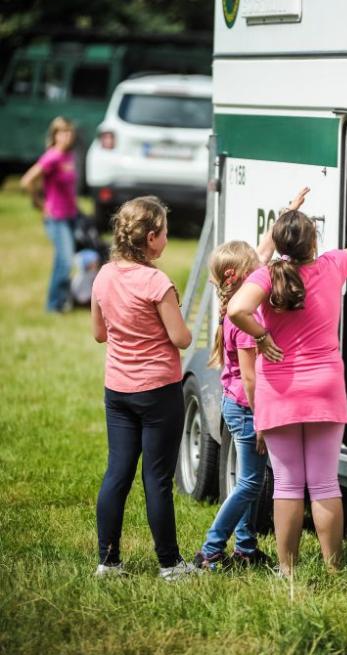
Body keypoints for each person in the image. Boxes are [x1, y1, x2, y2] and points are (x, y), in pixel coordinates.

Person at [227, 194, 347, 576]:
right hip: (324, 389)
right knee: (324, 483)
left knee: (287, 485)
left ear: (281, 243)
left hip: (278, 393)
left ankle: (288, 570)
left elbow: (236, 309)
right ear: (313, 242)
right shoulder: (333, 265)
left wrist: (263, 337)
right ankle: (333, 569)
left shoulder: (266, 275)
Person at [195, 188, 310, 571]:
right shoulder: (247, 323)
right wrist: (263, 420)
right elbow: (249, 377)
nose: (264, 268)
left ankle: (244, 548)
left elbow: (262, 252)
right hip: (247, 409)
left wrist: (287, 213)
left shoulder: (236, 297)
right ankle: (211, 550)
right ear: (238, 275)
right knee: (249, 483)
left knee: (251, 478)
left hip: (237, 405)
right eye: (255, 268)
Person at [91, 195, 196, 581]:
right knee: (157, 478)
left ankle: (108, 561)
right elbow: (181, 338)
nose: (167, 239)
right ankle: (169, 565)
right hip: (157, 392)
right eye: (165, 233)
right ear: (151, 238)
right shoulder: (157, 282)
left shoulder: (103, 276)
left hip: (117, 390)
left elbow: (99, 333)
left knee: (117, 472)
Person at [21, 117, 78, 312]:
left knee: (64, 260)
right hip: (56, 218)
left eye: (69, 132)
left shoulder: (68, 156)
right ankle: (53, 305)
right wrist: (39, 203)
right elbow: (27, 180)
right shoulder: (52, 157)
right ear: (54, 136)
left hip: (71, 215)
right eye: (62, 132)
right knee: (65, 260)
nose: (67, 136)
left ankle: (63, 301)